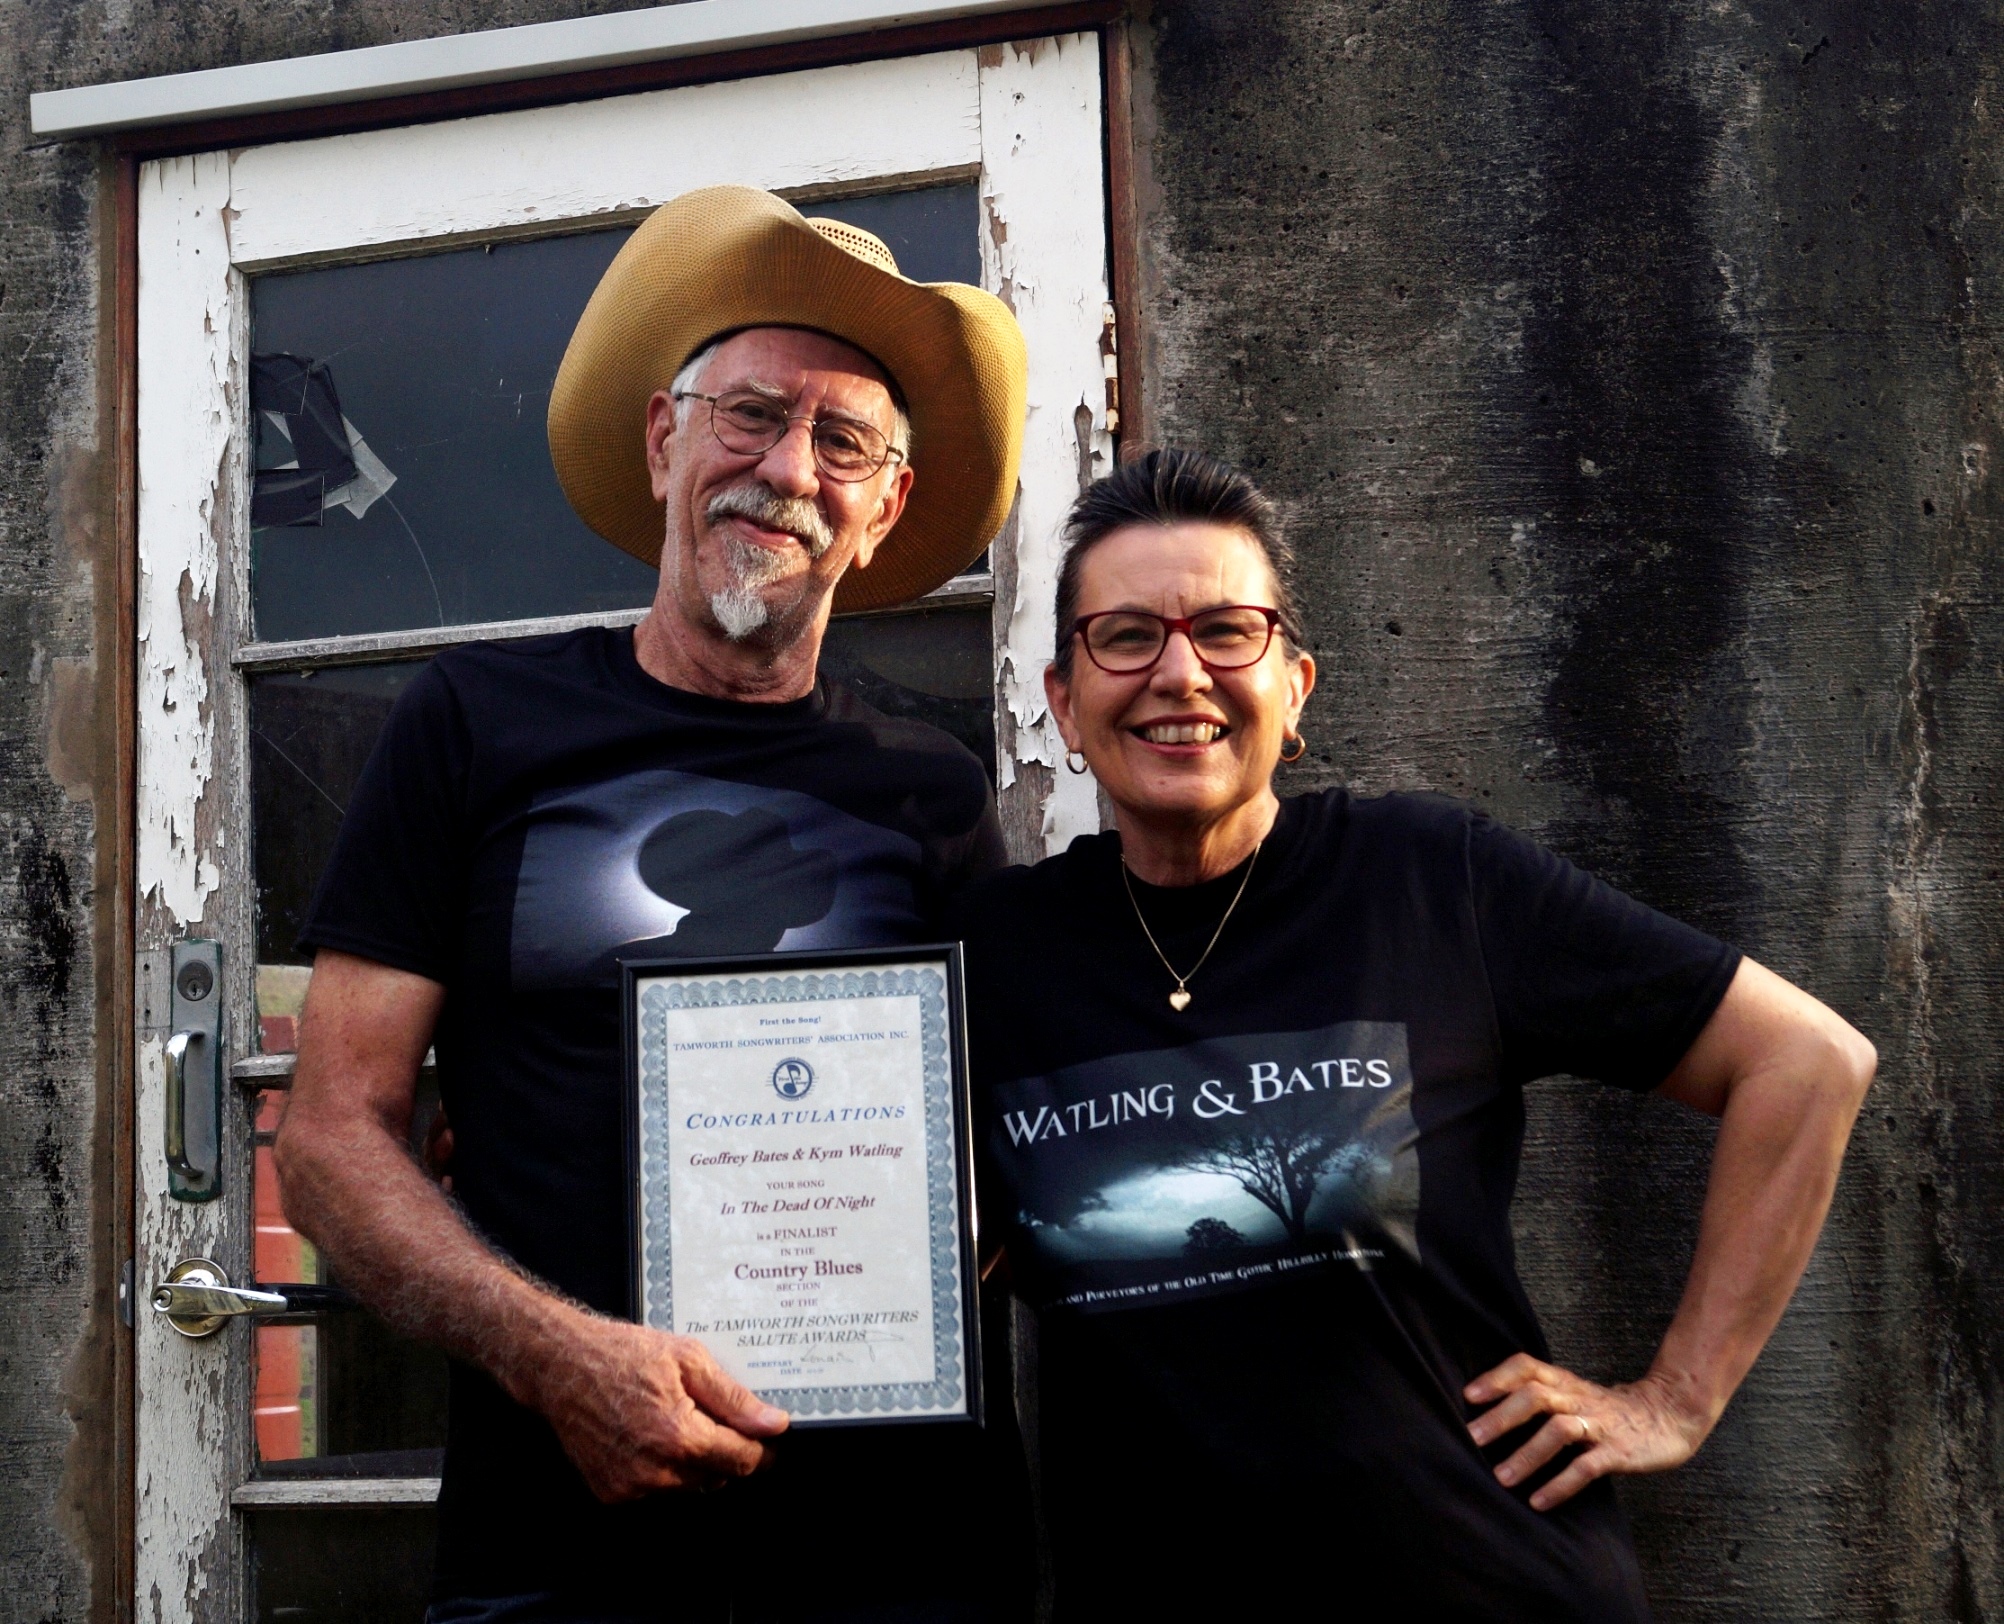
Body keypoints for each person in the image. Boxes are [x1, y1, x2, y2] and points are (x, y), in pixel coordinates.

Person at [274, 186, 1033, 1623]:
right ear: (664, 440)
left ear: (884, 511)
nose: (785, 468)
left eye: (844, 442)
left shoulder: (929, 790)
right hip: (557, 1555)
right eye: (748, 414)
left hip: (892, 1553)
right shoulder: (475, 724)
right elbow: (326, 1141)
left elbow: (1011, 1142)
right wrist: (560, 1359)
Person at [952, 448, 1877, 1621]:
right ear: (1063, 700)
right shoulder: (1005, 951)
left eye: (1227, 632)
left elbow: (1807, 1061)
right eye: (1126, 636)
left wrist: (1676, 1397)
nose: (1179, 673)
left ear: (1295, 686)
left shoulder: (1428, 881)